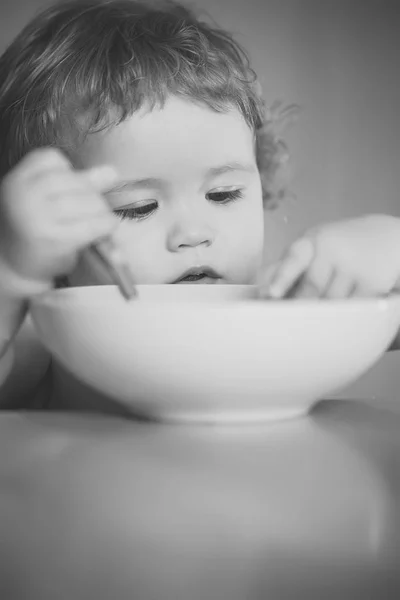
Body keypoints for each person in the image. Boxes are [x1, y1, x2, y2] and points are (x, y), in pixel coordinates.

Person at [0, 0, 398, 413]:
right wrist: (11, 273)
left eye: (223, 194)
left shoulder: (282, 317)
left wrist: (388, 248)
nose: (193, 234)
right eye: (138, 207)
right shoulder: (40, 346)